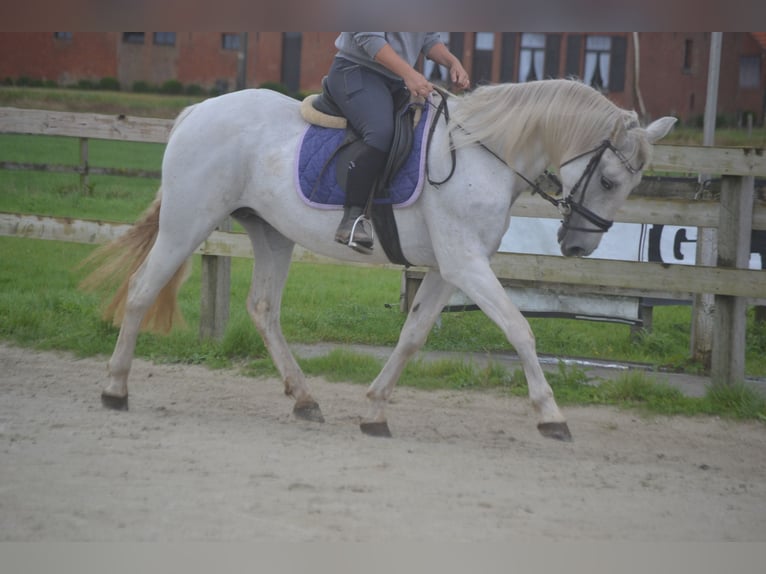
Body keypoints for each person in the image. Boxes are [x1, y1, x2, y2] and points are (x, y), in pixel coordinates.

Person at [326, 32, 470, 251]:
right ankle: (352, 217)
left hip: (395, 80)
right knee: (381, 133)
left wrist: (452, 61)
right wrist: (410, 74)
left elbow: (428, 39)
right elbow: (369, 38)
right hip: (355, 71)